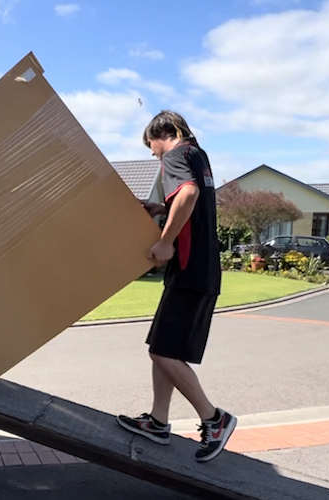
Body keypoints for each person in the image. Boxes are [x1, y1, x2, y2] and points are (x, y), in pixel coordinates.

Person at [116, 110, 235, 463]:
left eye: (151, 148)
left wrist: (165, 241)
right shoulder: (198, 155)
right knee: (164, 348)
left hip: (188, 268)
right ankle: (158, 420)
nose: (154, 155)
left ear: (160, 134)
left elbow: (188, 195)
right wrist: (160, 207)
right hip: (202, 268)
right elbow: (188, 204)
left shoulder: (175, 155)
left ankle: (214, 419)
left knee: (162, 352)